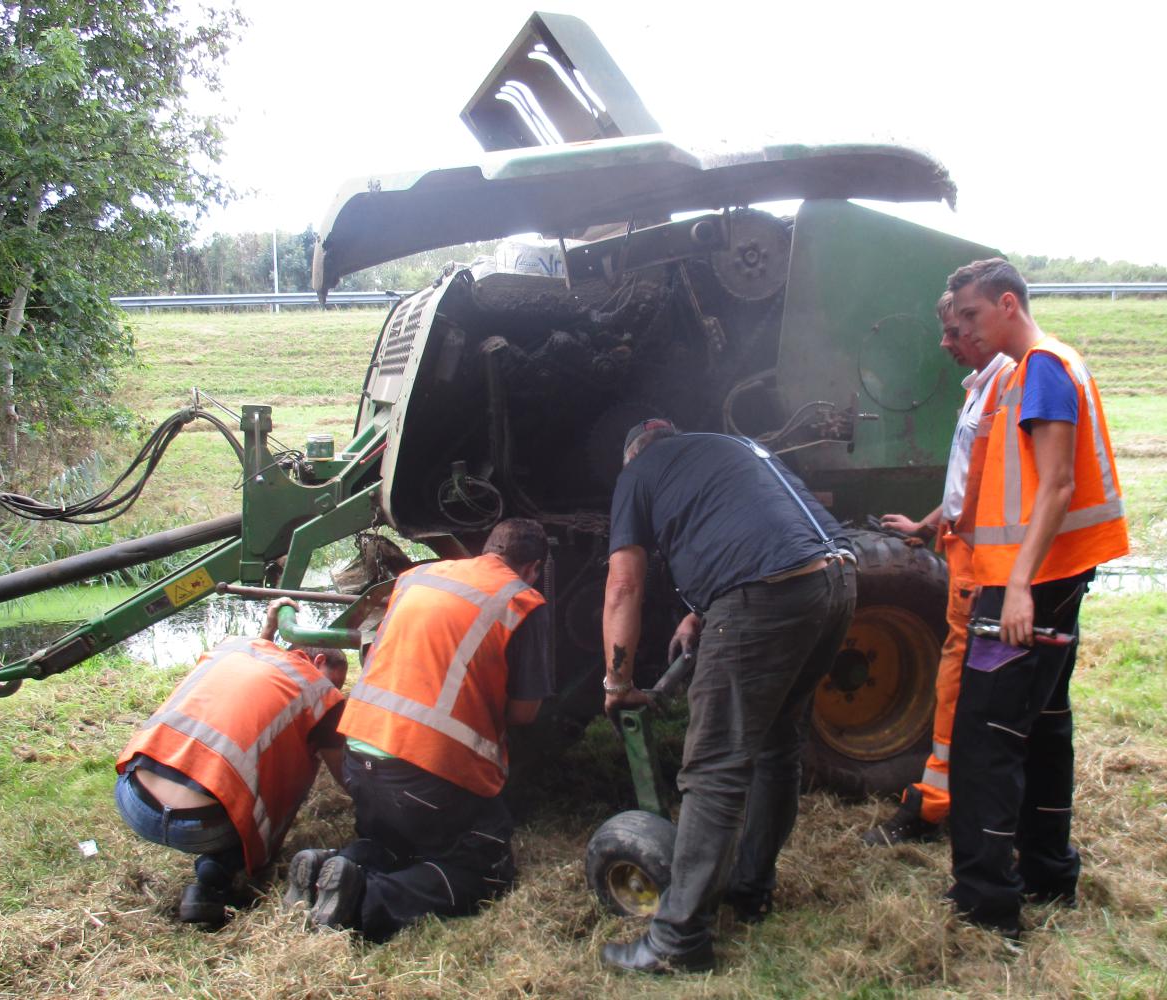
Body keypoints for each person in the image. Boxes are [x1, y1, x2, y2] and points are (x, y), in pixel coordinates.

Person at [598, 419, 855, 974]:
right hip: (834, 583)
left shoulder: (636, 473)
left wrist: (616, 683)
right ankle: (750, 889)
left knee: (713, 769)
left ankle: (677, 942)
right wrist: (702, 610)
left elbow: (624, 585)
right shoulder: (736, 445)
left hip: (769, 596)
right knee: (777, 748)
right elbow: (750, 528)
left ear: (634, 455)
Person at [944, 258, 1128, 937]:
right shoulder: (1044, 366)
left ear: (1009, 304)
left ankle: (988, 901)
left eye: (970, 316)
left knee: (986, 739)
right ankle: (1050, 873)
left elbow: (1054, 485)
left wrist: (1017, 585)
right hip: (1053, 577)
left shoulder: (1043, 369)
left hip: (1029, 586)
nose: (962, 329)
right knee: (1046, 726)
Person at [293, 518, 554, 941]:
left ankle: (330, 867)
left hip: (358, 758)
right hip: (425, 776)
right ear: (534, 568)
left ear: (486, 550)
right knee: (486, 869)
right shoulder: (522, 601)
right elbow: (524, 713)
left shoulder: (416, 577)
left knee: (397, 844)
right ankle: (368, 899)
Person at [864, 291, 1014, 845]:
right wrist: (927, 526)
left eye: (957, 329)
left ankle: (940, 807)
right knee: (954, 685)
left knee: (966, 691)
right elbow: (966, 485)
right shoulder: (980, 388)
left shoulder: (1009, 385)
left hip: (990, 571)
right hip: (969, 562)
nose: (947, 343)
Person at [114, 598, 349, 925]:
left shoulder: (233, 649)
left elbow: (259, 656)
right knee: (273, 789)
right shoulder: (321, 694)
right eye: (336, 682)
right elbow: (344, 777)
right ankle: (213, 880)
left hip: (134, 800)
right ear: (319, 660)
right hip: (203, 825)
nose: (334, 691)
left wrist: (268, 627)